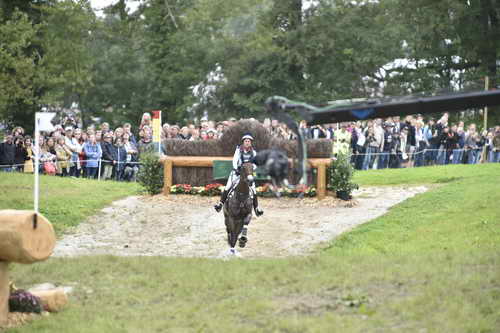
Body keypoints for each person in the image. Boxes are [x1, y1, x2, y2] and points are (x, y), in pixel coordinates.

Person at [214, 133, 263, 216]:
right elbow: (234, 161)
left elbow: (256, 163)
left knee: (253, 190)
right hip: (237, 172)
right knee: (228, 186)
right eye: (246, 141)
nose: (247, 142)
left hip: (248, 174)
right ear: (243, 142)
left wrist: (251, 169)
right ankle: (220, 204)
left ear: (250, 142)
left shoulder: (254, 152)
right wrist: (237, 169)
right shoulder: (238, 150)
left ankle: (256, 209)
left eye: (249, 141)